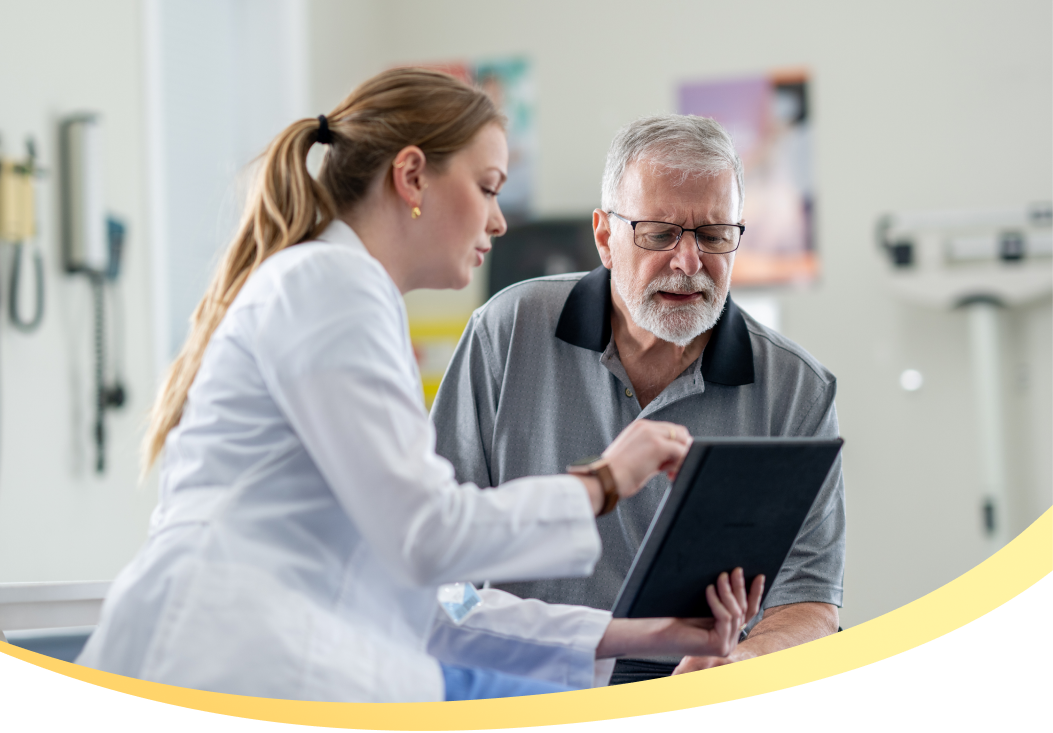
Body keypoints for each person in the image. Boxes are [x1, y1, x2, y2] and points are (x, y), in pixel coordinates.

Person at [74, 70, 764, 702]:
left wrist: (653, 632)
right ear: (411, 176)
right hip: (228, 657)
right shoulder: (327, 286)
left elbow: (439, 598)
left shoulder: (350, 297)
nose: (498, 219)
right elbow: (428, 536)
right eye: (488, 186)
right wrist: (605, 481)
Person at [431, 114, 845, 685]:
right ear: (605, 236)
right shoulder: (507, 330)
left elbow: (812, 605)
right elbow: (435, 555)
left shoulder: (798, 388)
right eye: (659, 233)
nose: (688, 262)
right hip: (518, 677)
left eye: (714, 235)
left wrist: (735, 665)